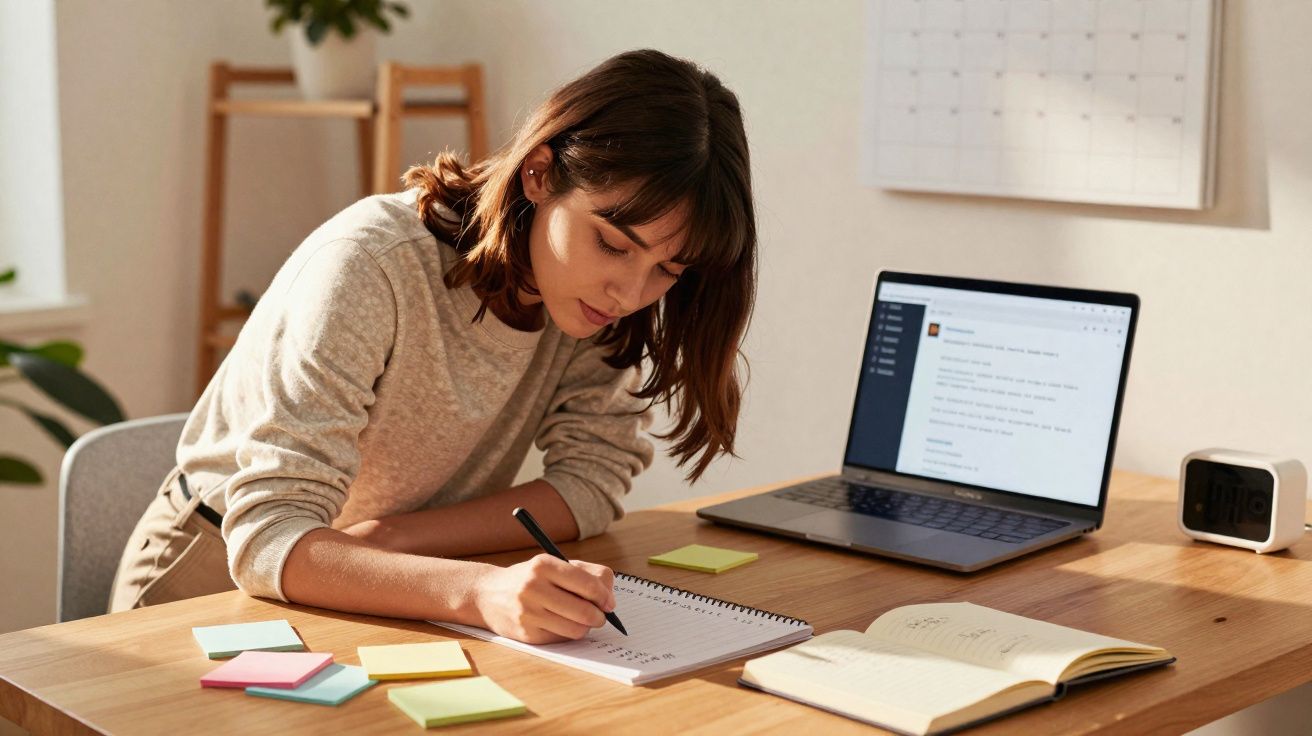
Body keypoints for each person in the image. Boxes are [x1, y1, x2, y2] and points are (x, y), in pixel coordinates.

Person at [109, 49, 757, 645]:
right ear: (539, 173)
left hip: (380, 576)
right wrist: (478, 592)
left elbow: (591, 484)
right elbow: (268, 537)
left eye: (668, 270)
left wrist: (395, 539)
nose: (631, 292)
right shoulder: (372, 264)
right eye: (613, 245)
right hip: (209, 572)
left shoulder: (589, 303)